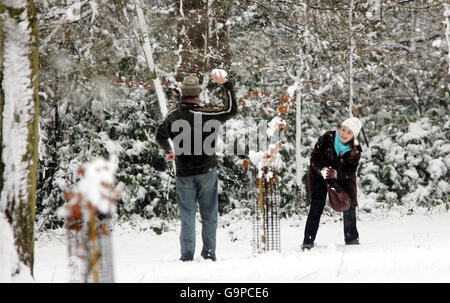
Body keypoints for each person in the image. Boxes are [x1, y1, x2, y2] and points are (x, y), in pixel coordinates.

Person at [155, 71, 238, 261]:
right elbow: (231, 110)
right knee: (209, 215)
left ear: (182, 94)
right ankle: (209, 254)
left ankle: (186, 256)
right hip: (207, 170)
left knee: (187, 216)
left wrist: (168, 150)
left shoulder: (173, 116)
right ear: (198, 95)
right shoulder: (207, 114)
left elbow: (159, 136)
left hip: (183, 173)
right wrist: (227, 84)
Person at [301, 117, 363, 250]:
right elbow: (314, 157)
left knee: (349, 204)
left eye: (349, 132)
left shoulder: (355, 150)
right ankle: (308, 241)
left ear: (354, 135)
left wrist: (336, 174)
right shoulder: (328, 138)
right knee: (316, 205)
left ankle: (352, 239)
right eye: (343, 129)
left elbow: (350, 171)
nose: (344, 134)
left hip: (343, 179)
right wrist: (322, 169)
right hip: (319, 176)